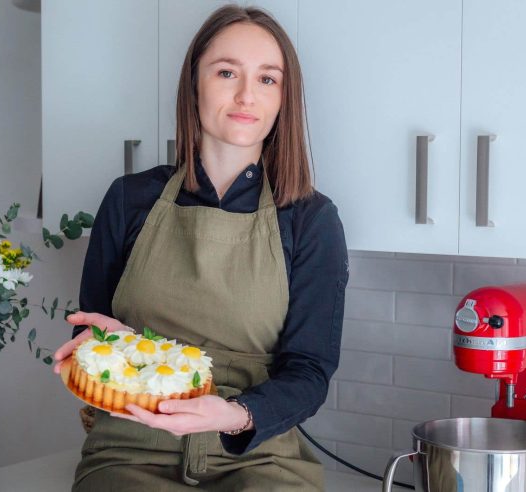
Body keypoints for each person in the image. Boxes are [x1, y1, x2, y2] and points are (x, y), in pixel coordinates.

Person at [53, 4, 348, 491]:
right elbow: (99, 335)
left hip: (257, 455)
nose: (246, 95)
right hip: (131, 448)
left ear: (283, 99)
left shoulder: (312, 219)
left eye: (268, 79)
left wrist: (232, 414)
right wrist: (103, 347)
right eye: (227, 72)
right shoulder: (130, 199)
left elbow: (310, 371)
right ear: (195, 84)